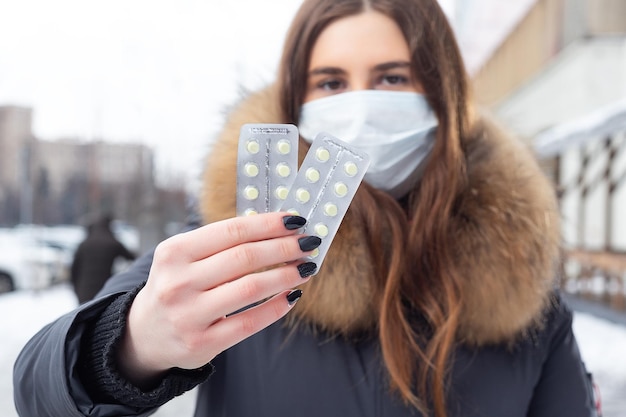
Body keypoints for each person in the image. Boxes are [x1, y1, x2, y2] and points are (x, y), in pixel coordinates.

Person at [14, 0, 598, 416]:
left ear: (443, 99)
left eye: (393, 77)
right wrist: (132, 342)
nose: (362, 105)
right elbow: (37, 386)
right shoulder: (236, 249)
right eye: (331, 83)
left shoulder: (525, 295)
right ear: (296, 101)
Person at [70, 213, 137, 304]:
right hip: (105, 290)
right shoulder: (112, 242)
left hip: (84, 291)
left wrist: (76, 289)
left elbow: (74, 269)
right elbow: (132, 257)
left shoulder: (84, 244)